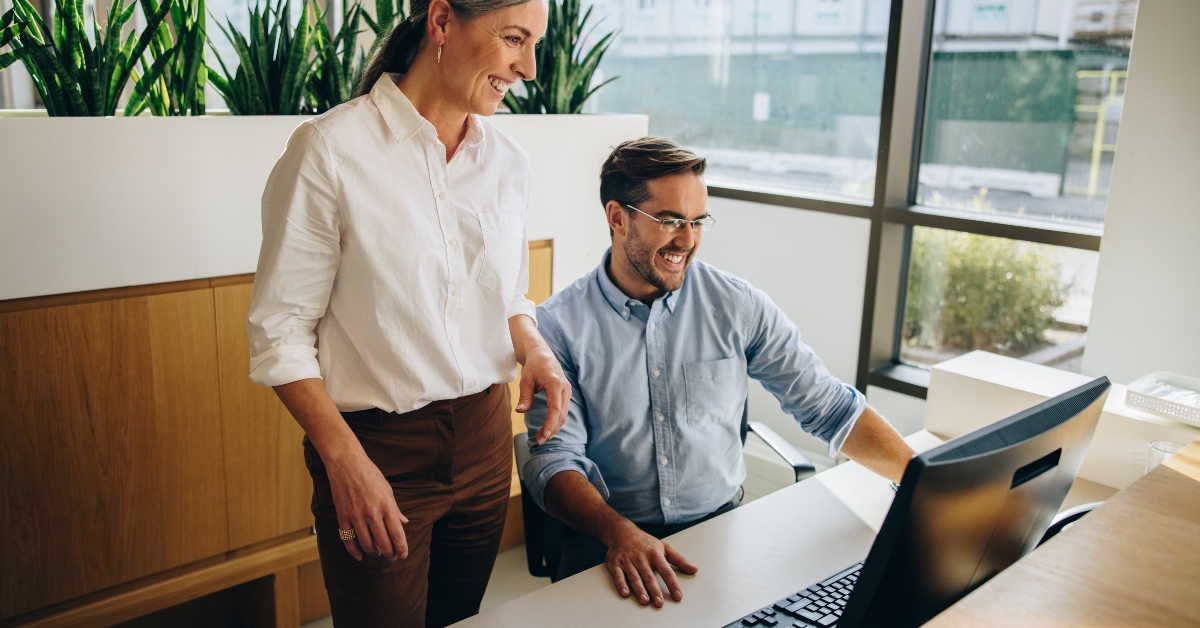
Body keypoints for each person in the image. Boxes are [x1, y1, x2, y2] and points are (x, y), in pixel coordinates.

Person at [246, 1, 572, 625]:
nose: (528, 67)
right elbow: (279, 334)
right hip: (377, 448)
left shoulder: (508, 163)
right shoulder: (329, 151)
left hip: (483, 440)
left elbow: (505, 295)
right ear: (443, 22)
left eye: (534, 45)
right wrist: (345, 462)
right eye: (513, 39)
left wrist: (535, 348)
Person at [521, 137, 916, 608]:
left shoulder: (737, 305)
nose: (687, 241)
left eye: (697, 221)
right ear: (617, 217)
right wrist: (617, 532)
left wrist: (921, 482)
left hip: (720, 531)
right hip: (605, 538)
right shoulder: (559, 326)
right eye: (669, 221)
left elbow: (828, 407)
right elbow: (555, 461)